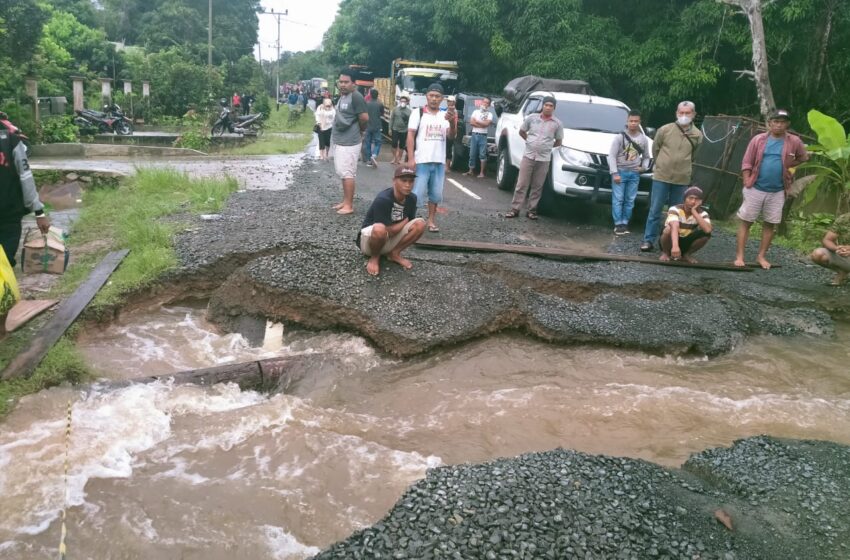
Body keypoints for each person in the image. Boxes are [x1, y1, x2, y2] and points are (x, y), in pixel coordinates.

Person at [734, 109, 809, 269]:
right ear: (769, 123)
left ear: (787, 124)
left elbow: (803, 157)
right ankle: (740, 256)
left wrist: (789, 165)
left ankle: (761, 256)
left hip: (778, 190)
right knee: (746, 221)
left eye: (782, 122)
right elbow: (747, 162)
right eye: (775, 121)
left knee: (770, 224)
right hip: (755, 187)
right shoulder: (758, 140)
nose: (778, 125)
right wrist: (747, 180)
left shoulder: (794, 141)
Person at [640, 101, 703, 252]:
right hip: (662, 176)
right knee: (655, 210)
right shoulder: (665, 129)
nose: (684, 116)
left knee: (677, 212)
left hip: (681, 179)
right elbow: (656, 149)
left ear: (693, 114)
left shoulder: (697, 135)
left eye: (688, 113)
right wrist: (662, 164)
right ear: (676, 113)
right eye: (681, 112)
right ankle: (648, 240)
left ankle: (670, 243)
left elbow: (695, 155)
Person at [356, 165, 426, 276]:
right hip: (370, 242)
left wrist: (405, 222)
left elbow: (409, 224)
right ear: (394, 181)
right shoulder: (383, 199)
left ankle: (394, 253)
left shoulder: (412, 198)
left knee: (420, 224)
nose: (408, 185)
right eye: (403, 181)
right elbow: (388, 231)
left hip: (390, 238)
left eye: (411, 181)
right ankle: (374, 258)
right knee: (380, 229)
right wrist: (404, 221)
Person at [0, 113, 50, 270]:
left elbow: (25, 177)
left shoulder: (11, 141)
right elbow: (25, 177)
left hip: (9, 215)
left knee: (5, 260)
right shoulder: (12, 141)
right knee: (5, 259)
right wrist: (39, 213)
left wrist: (39, 212)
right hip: (9, 212)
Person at [406, 83, 457, 232]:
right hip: (422, 160)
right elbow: (410, 135)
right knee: (416, 193)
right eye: (431, 96)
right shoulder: (418, 113)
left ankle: (431, 221)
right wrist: (410, 158)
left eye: (437, 96)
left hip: (439, 161)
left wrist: (452, 122)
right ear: (426, 96)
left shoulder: (444, 115)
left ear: (442, 99)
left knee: (435, 194)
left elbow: (451, 136)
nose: (434, 99)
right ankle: (411, 221)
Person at [504, 96, 563, 220]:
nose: (548, 107)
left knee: (537, 186)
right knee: (521, 184)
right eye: (546, 105)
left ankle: (531, 210)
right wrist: (529, 141)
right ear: (542, 106)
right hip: (528, 156)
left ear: (554, 108)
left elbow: (558, 141)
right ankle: (515, 209)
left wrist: (547, 147)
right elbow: (522, 131)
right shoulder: (532, 118)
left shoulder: (557, 123)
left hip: (544, 159)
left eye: (551, 106)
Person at [330, 69, 369, 215]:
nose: (343, 85)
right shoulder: (343, 96)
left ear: (354, 83)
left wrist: (361, 130)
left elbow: (364, 118)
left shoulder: (356, 96)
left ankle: (349, 205)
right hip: (341, 140)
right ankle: (345, 201)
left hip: (350, 142)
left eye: (346, 82)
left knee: (348, 173)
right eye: (341, 82)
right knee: (342, 172)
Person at [608, 110, 651, 235]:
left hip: (634, 173)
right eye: (631, 121)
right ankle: (618, 224)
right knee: (618, 199)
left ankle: (625, 223)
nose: (633, 123)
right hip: (620, 171)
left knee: (630, 200)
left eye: (636, 121)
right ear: (627, 121)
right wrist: (614, 173)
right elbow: (612, 156)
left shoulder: (644, 139)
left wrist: (644, 167)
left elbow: (647, 156)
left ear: (639, 122)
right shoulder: (619, 137)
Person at [659, 186, 712, 263]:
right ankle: (666, 253)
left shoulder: (703, 213)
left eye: (697, 199)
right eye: (690, 198)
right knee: (668, 229)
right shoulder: (675, 209)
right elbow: (674, 226)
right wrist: (675, 246)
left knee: (706, 235)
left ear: (701, 201)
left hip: (686, 240)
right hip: (671, 239)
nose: (693, 201)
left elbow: (708, 230)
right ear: (684, 199)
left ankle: (687, 254)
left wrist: (694, 211)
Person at [810, 213, 850, 286]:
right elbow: (827, 240)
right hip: (844, 255)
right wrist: (836, 248)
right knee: (817, 254)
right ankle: (842, 272)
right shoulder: (844, 219)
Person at [464, 96, 493, 178]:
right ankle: (471, 170)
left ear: (489, 105)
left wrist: (477, 121)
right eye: (484, 102)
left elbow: (487, 124)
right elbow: (471, 122)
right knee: (472, 153)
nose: (485, 104)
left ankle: (482, 173)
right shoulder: (476, 111)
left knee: (482, 154)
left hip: (483, 136)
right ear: (481, 102)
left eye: (487, 103)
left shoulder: (489, 114)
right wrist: (481, 124)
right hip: (474, 134)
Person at [363, 88, 384, 167]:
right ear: (377, 95)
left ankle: (369, 160)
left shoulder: (366, 103)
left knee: (368, 143)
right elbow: (381, 114)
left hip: (368, 126)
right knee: (378, 142)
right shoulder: (380, 104)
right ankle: (374, 155)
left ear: (370, 95)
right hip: (377, 126)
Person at [389, 92, 412, 165]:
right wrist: (390, 128)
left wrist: (409, 132)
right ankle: (394, 157)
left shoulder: (409, 111)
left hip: (404, 131)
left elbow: (410, 122)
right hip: (395, 129)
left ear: (407, 102)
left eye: (404, 101)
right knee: (394, 144)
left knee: (402, 145)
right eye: (401, 101)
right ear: (400, 101)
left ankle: (399, 159)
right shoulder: (395, 110)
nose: (403, 103)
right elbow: (391, 119)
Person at [444, 95, 458, 167]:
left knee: (448, 149)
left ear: (454, 102)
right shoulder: (446, 109)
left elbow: (454, 122)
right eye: (448, 101)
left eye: (450, 101)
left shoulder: (454, 111)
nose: (449, 102)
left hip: (451, 131)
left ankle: (447, 166)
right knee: (445, 148)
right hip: (445, 130)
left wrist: (453, 130)